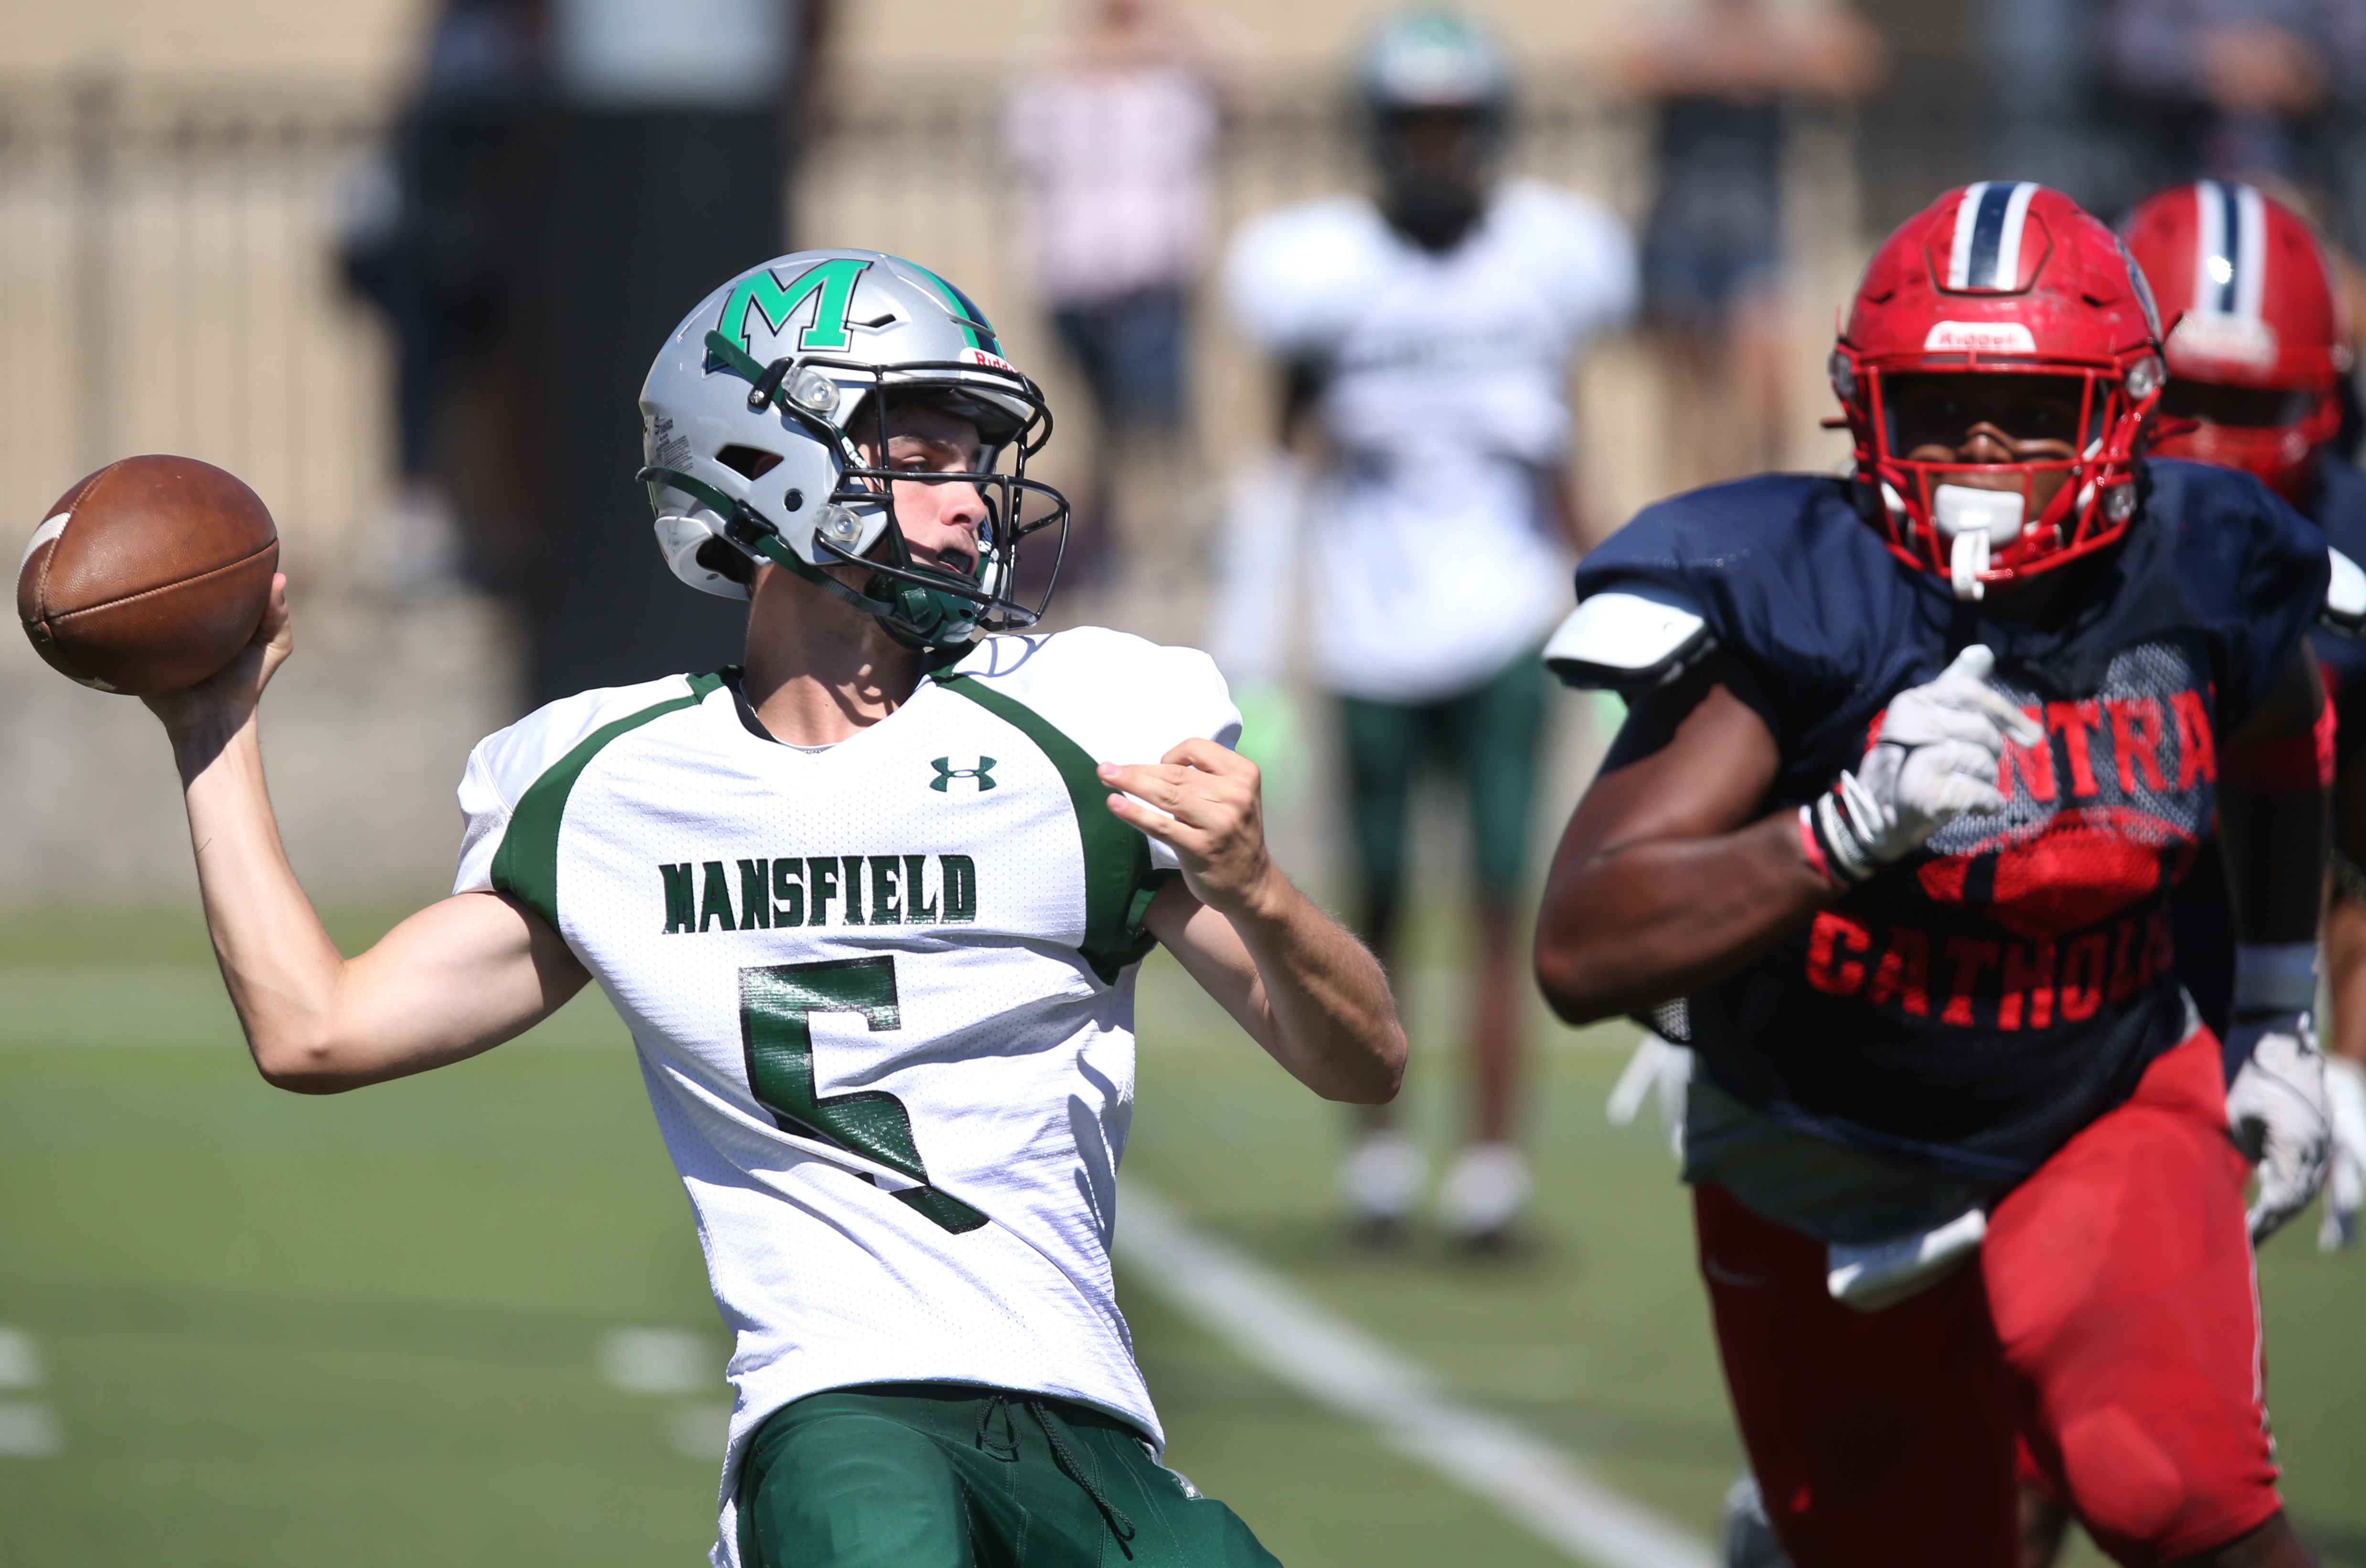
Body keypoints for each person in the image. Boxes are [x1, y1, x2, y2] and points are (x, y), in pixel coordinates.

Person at [140, 249, 1405, 1568]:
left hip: (1082, 1422)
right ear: (764, 454)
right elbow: (316, 1027)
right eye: (923, 453)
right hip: (839, 1415)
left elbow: (1362, 1060)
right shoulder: (612, 782)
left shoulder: (1085, 725)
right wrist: (213, 733)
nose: (972, 501)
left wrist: (1259, 892)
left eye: (975, 459)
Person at [1535, 183, 2335, 1567]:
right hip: (1811, 1146)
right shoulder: (1805, 594)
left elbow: (2283, 725)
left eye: (2030, 406)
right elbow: (1582, 944)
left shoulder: (2203, 559)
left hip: (2094, 1098)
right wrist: (1833, 836)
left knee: (2177, 1493)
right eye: (1937, 408)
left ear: (2125, 410)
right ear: (1864, 411)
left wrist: (2275, 1011)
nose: (1979, 446)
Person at [1213, 8, 1635, 1249]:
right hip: (1367, 626)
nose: (1436, 149)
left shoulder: (1546, 262)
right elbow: (1282, 470)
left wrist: (1608, 623)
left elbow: (1562, 459)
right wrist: (1253, 654)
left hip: (1502, 616)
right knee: (1378, 892)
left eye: (1453, 125)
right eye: (1415, 125)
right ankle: (1382, 1150)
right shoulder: (1321, 275)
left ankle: (1493, 1165)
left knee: (1505, 888)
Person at [1614, 0, 1883, 486]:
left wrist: (1767, 60)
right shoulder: (1676, 21)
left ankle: (1759, 492)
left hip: (1759, 226)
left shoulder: (1783, 23)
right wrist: (1706, 64)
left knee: (1768, 389)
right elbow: (1623, 62)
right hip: (1681, 220)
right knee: (1692, 399)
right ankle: (1699, 514)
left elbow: (1857, 63)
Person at [1001, 0, 1218, 599]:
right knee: (1097, 424)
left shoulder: (1173, 86)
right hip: (1073, 279)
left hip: (1148, 281)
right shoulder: (1052, 83)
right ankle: (1115, 544)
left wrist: (1175, 40)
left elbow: (1226, 104)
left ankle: (1169, 539)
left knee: (1158, 417)